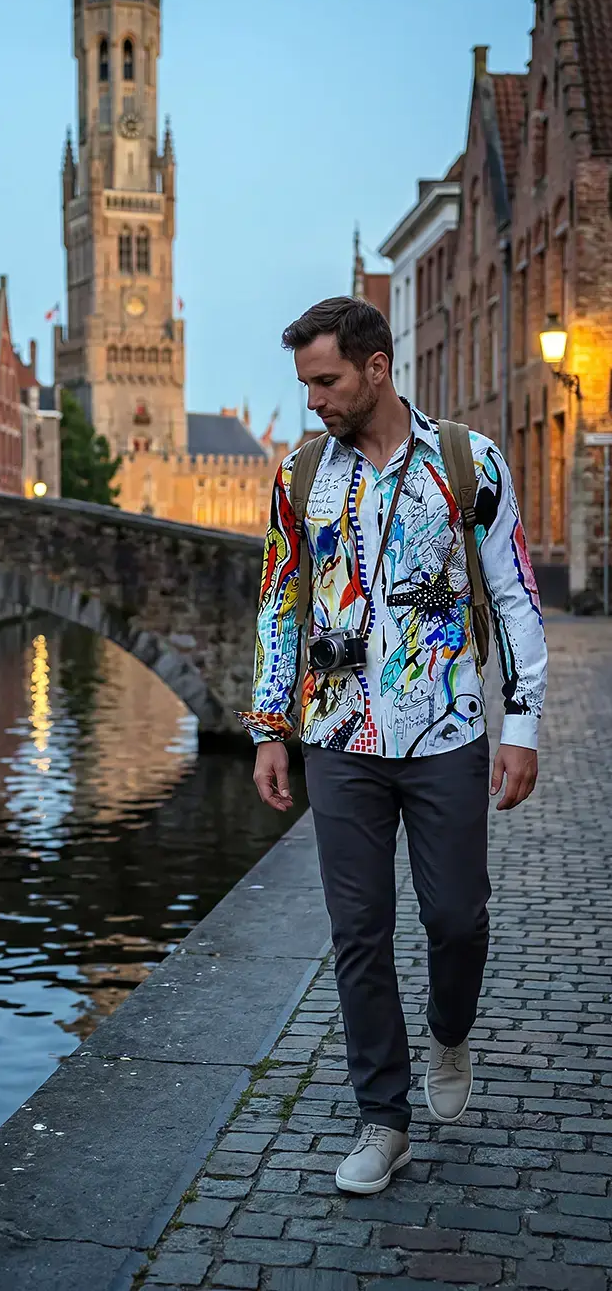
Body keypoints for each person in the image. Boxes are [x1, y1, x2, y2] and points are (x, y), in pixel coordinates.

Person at [238, 296, 547, 1196]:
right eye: (305, 385)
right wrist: (270, 732)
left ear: (377, 367)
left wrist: (520, 727)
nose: (315, 402)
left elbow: (518, 595)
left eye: (327, 381)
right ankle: (384, 1119)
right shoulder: (301, 477)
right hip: (339, 737)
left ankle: (451, 1034)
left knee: (458, 918)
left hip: (447, 729)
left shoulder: (467, 461)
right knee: (358, 933)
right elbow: (279, 605)